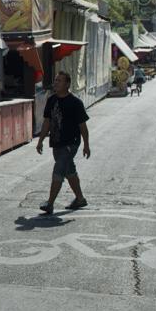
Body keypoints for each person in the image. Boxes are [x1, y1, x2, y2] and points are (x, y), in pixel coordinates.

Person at [35, 71, 91, 214]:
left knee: (58, 169)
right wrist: (40, 140)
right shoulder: (52, 100)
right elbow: (47, 122)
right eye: (56, 80)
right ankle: (80, 199)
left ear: (67, 84)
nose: (56, 83)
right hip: (56, 142)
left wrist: (86, 145)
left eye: (59, 81)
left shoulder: (75, 102)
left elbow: (83, 126)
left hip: (70, 143)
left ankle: (50, 203)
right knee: (69, 170)